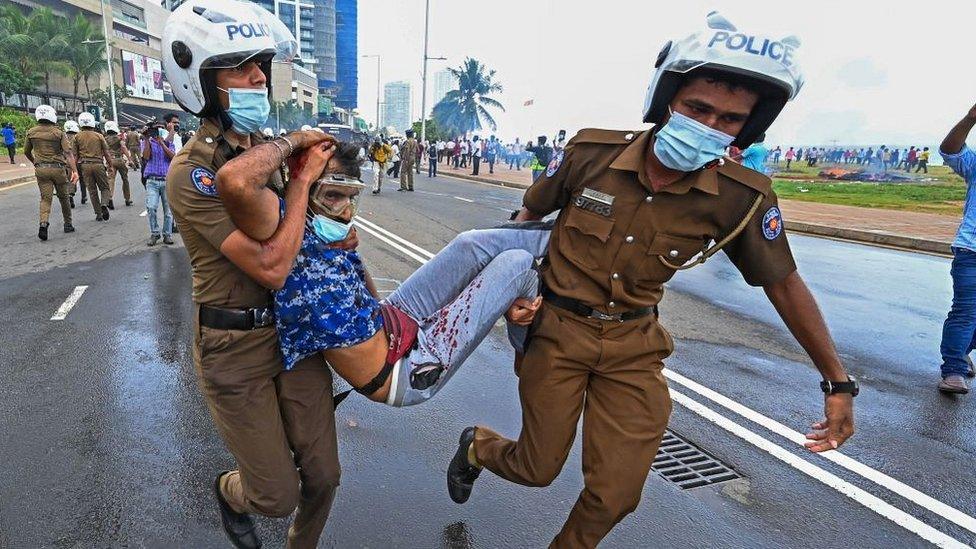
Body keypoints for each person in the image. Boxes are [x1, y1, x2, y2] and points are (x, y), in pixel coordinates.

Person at [445, 14, 857, 548]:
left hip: (634, 347)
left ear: (748, 129)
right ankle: (478, 446)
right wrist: (512, 294)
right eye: (697, 108)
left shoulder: (742, 196)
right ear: (667, 98)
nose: (709, 125)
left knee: (615, 496)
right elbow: (523, 224)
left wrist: (837, 382)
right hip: (556, 333)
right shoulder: (590, 153)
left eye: (730, 119)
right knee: (535, 467)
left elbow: (784, 285)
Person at [162, 2, 344, 547]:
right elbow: (271, 262)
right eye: (240, 65)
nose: (259, 76)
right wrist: (299, 169)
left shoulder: (265, 153)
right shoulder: (191, 174)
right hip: (234, 346)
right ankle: (228, 490)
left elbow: (315, 239)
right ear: (201, 82)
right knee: (274, 495)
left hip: (294, 335)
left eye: (260, 62)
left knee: (325, 476)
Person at [221, 140, 547, 407]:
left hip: (390, 318)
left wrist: (351, 257)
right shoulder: (282, 220)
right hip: (404, 369)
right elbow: (234, 180)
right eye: (332, 196)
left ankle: (567, 237)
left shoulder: (329, 231)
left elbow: (364, 293)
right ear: (302, 184)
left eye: (350, 198)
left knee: (470, 244)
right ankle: (527, 356)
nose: (346, 211)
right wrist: (299, 154)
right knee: (516, 264)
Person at [937, 102, 976, 394]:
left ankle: (960, 349)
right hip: (971, 251)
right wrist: (970, 119)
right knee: (965, 312)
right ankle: (953, 369)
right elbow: (950, 150)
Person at [24, 105, 79, 240]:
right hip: (58, 169)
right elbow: (68, 153)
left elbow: (26, 151)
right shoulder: (59, 133)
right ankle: (68, 224)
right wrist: (75, 171)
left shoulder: (31, 132)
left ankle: (43, 222)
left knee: (45, 198)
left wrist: (35, 162)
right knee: (64, 197)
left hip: (41, 169)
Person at [73, 112, 114, 222]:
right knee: (105, 188)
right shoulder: (99, 136)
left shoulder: (77, 136)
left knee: (92, 191)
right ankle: (104, 204)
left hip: (85, 166)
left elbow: (75, 155)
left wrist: (74, 170)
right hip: (98, 164)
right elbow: (106, 153)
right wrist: (110, 165)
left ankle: (98, 214)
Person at [142, 120, 176, 246]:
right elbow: (146, 157)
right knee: (151, 207)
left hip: (167, 181)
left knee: (168, 211)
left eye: (161, 128)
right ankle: (155, 233)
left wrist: (163, 144)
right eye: (155, 129)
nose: (158, 131)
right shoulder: (147, 142)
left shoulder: (169, 142)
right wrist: (146, 139)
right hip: (152, 181)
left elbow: (173, 157)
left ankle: (167, 234)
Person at [103, 121, 134, 207]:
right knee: (125, 179)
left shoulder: (104, 139)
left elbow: (103, 151)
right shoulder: (119, 138)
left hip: (110, 160)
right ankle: (127, 199)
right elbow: (123, 147)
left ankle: (109, 197)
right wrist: (129, 159)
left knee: (111, 179)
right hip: (119, 159)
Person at [64, 120, 83, 207]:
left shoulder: (63, 137)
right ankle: (82, 195)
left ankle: (70, 194)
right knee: (79, 179)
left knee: (69, 180)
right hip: (77, 161)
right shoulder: (78, 137)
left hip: (65, 163)